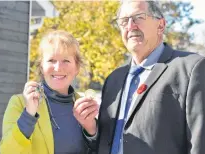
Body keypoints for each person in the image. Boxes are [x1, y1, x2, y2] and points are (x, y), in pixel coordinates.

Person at [75, 1, 205, 154]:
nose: (130, 26)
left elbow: (200, 142)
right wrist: (90, 128)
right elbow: (105, 141)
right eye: (124, 21)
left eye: (138, 17)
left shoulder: (191, 68)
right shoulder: (113, 80)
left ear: (161, 25)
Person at [0, 30, 99, 154]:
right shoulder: (19, 103)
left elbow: (99, 149)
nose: (58, 68)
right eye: (51, 60)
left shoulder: (83, 106)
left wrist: (92, 129)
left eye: (66, 61)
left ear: (77, 67)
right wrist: (29, 114)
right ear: (41, 66)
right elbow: (8, 151)